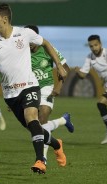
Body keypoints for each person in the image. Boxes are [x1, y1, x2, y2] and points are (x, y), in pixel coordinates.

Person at [0, 3, 67, 174]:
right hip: (10, 94)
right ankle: (56, 144)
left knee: (32, 116)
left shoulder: (24, 33)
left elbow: (46, 43)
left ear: (4, 19)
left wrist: (59, 65)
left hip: (30, 86)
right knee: (34, 128)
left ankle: (40, 160)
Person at [24, 25, 74, 162]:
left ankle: (42, 158)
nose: (30, 43)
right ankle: (63, 120)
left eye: (32, 39)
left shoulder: (48, 49)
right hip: (29, 88)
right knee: (33, 125)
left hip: (46, 87)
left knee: (43, 116)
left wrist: (59, 86)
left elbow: (65, 68)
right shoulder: (22, 52)